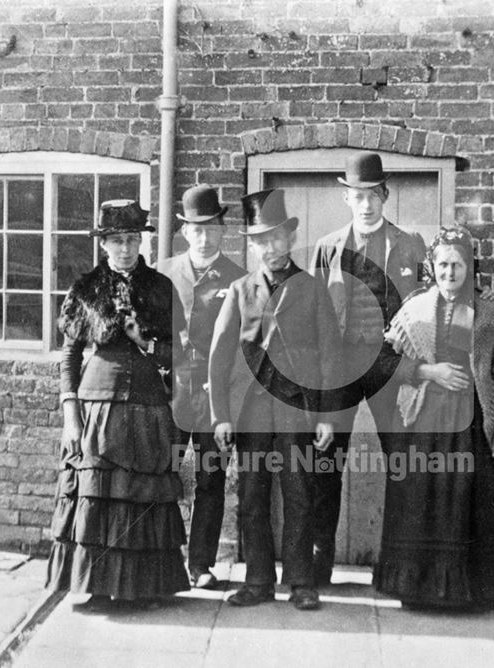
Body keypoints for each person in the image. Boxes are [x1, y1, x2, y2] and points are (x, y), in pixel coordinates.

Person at [46, 199, 190, 611]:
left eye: (131, 239)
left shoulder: (161, 288)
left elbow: (176, 355)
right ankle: (94, 584)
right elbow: (71, 357)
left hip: (147, 407)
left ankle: (142, 588)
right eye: (115, 241)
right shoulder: (86, 288)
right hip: (97, 407)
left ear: (140, 241)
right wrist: (71, 416)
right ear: (103, 244)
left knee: (140, 495)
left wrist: (143, 338)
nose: (125, 249)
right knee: (98, 493)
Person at [374, 225, 494, 608]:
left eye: (457, 266)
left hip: (473, 424)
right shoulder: (414, 309)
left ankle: (476, 591)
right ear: (432, 267)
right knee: (420, 502)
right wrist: (426, 372)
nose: (449, 274)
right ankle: (418, 589)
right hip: (423, 423)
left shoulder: (487, 311)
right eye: (442, 265)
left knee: (470, 501)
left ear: (470, 267)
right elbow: (384, 361)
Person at [208, 188, 342, 611]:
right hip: (250, 412)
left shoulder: (312, 288)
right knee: (251, 496)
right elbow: (220, 355)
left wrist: (326, 416)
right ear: (252, 246)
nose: (269, 248)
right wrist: (221, 417)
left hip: (295, 410)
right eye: (260, 241)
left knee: (300, 493)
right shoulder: (240, 290)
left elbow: (330, 356)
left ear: (290, 238)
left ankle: (301, 581)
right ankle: (259, 580)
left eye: (276, 238)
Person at [308, 151, 427, 585]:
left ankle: (396, 565)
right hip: (339, 367)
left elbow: (423, 308)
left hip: (389, 366)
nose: (366, 204)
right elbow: (316, 312)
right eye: (357, 196)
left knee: (401, 458)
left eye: (373, 195)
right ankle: (319, 564)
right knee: (325, 460)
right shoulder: (326, 248)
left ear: (385, 195)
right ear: (346, 199)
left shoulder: (409, 244)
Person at [157, 184, 246, 590]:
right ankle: (163, 557)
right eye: (197, 228)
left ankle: (201, 564)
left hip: (215, 397)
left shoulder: (238, 278)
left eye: (211, 227)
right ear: (184, 231)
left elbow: (243, 345)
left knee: (211, 480)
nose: (204, 235)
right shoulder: (164, 272)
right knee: (165, 474)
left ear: (222, 229)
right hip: (173, 391)